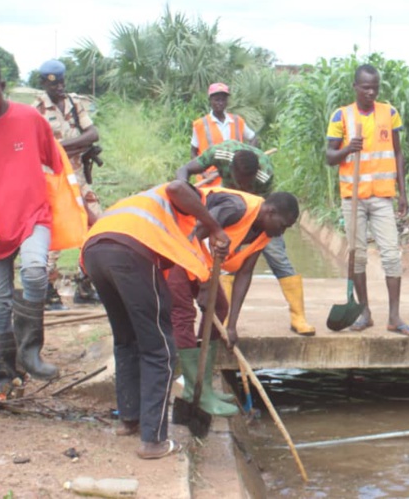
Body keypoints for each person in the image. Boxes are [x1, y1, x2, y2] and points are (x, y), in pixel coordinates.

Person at [81, 181, 231, 460]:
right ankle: (154, 441)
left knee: (127, 341)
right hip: (129, 254)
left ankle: (130, 419)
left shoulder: (142, 206)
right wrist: (216, 227)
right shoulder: (171, 197)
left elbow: (191, 269)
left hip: (94, 252)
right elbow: (177, 186)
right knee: (160, 350)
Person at [0, 55, 87, 398]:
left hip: (33, 216)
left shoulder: (29, 118)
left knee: (35, 272)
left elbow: (54, 160)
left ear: (2, 88)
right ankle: (6, 371)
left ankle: (30, 350)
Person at [165, 189, 300, 418]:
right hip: (176, 249)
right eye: (283, 225)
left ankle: (204, 385)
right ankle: (192, 390)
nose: (281, 232)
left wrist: (231, 326)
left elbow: (244, 274)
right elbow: (195, 235)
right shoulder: (237, 209)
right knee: (183, 315)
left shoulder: (264, 233)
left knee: (219, 308)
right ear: (270, 211)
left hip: (201, 264)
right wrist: (205, 284)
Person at [176, 141, 316, 335]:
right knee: (223, 258)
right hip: (228, 211)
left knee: (277, 257)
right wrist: (184, 192)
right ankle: (222, 318)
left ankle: (298, 317)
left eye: (247, 182)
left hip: (258, 216)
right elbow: (184, 170)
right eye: (239, 180)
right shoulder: (220, 154)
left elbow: (266, 210)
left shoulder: (264, 175)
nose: (242, 185)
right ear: (231, 169)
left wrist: (255, 234)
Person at [326, 64, 409, 337]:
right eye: (365, 87)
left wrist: (403, 192)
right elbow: (329, 157)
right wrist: (346, 150)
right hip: (353, 198)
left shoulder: (389, 113)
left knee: (391, 255)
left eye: (375, 87)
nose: (371, 91)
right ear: (355, 87)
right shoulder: (341, 115)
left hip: (382, 197)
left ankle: (394, 317)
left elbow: (398, 153)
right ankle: (364, 313)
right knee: (358, 257)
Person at [33, 59, 103, 307]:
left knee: (96, 226)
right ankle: (47, 290)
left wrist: (59, 147)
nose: (59, 87)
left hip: (79, 178)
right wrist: (74, 145)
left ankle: (85, 285)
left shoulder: (74, 103)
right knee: (56, 233)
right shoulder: (36, 111)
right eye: (54, 83)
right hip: (54, 181)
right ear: (44, 83)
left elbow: (93, 134)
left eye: (62, 82)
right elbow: (39, 149)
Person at [190, 82, 257, 187]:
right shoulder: (200, 124)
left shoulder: (237, 121)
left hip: (234, 180)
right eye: (217, 99)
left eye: (223, 99)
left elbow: (253, 138)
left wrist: (248, 156)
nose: (220, 103)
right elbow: (193, 152)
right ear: (210, 101)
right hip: (210, 181)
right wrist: (202, 172)